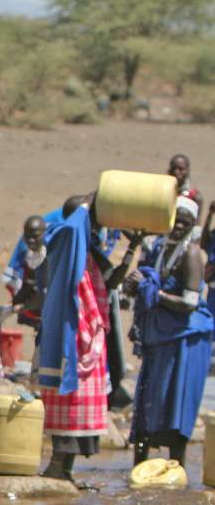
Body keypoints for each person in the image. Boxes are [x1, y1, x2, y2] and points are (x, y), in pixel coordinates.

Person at [37, 194, 137, 481]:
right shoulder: (64, 241)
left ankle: (65, 470)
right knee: (68, 400)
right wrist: (85, 206)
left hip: (89, 338)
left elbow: (111, 281)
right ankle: (57, 465)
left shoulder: (86, 249)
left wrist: (134, 246)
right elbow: (71, 228)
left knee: (82, 401)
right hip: (69, 335)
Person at [125, 197, 212, 467]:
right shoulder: (161, 247)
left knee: (175, 405)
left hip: (185, 339)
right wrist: (135, 284)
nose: (179, 225)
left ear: (193, 224)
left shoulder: (192, 254)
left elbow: (190, 302)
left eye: (186, 221)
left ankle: (177, 466)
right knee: (150, 399)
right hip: (160, 334)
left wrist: (155, 293)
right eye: (177, 218)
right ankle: (139, 466)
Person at [3, 215, 49, 334]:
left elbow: (43, 292)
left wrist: (19, 307)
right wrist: (16, 302)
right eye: (27, 236)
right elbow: (29, 282)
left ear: (44, 233)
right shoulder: (31, 254)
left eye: (35, 236)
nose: (31, 240)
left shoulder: (49, 255)